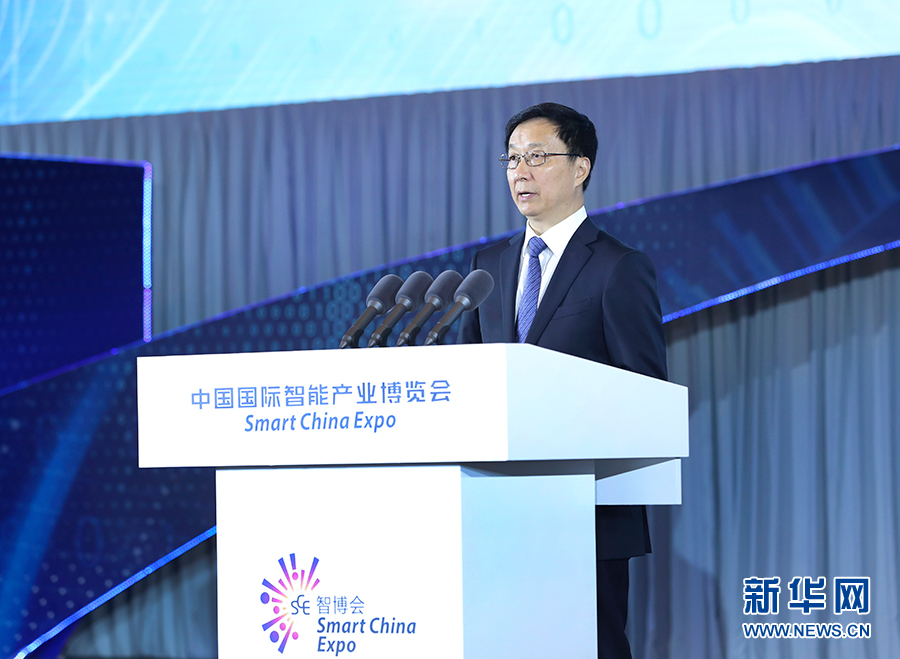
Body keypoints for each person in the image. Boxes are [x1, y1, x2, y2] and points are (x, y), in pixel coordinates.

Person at [457, 102, 667, 658]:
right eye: (512, 159)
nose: (520, 172)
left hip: (587, 518)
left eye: (537, 157)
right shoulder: (487, 267)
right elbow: (468, 380)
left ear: (581, 167)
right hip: (497, 513)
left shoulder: (619, 267)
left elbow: (645, 393)